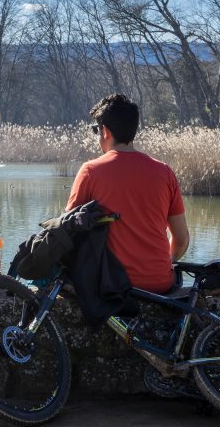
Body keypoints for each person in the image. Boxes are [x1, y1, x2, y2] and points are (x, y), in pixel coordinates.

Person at [66, 94, 190, 294]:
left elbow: (67, 232)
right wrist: (163, 263)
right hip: (160, 283)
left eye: (96, 130)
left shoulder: (91, 171)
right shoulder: (164, 172)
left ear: (105, 131)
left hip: (111, 285)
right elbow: (182, 239)